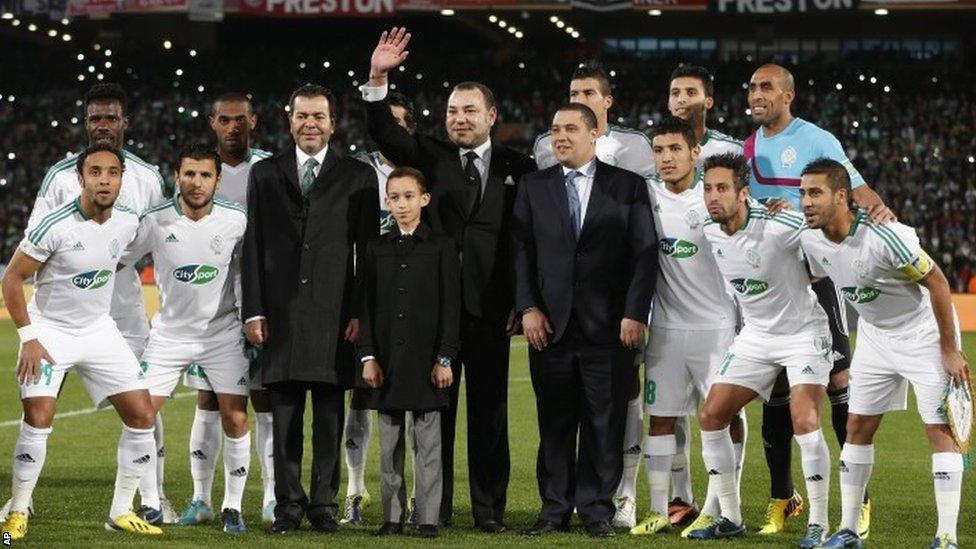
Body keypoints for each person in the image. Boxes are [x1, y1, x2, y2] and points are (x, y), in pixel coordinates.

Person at [362, 27, 536, 532]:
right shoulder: (429, 157)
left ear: (491, 117)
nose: (459, 119)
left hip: (489, 310)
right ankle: (432, 511)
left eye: (469, 111)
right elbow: (386, 134)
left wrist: (519, 300)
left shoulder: (518, 168)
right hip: (433, 315)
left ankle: (489, 513)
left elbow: (520, 243)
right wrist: (378, 77)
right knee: (434, 417)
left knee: (491, 418)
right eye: (453, 112)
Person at [1, 83, 174, 525]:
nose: (103, 125)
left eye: (110, 118)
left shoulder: (147, 180)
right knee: (40, 410)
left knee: (144, 410)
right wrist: (31, 334)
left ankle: (147, 500)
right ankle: (18, 504)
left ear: (124, 123)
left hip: (116, 317)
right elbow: (26, 261)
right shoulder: (58, 178)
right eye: (95, 118)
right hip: (56, 318)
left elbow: (153, 239)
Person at [744, 64, 893, 536]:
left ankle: (859, 500)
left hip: (815, 277)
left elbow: (852, 183)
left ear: (788, 94)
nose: (756, 94)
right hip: (770, 282)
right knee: (775, 388)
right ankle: (782, 499)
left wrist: (879, 209)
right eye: (751, 87)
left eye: (765, 86)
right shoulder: (748, 146)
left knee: (838, 380)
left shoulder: (816, 138)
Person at [798, 158, 970, 549]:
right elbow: (813, 273)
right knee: (857, 426)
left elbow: (940, 284)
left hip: (923, 333)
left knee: (939, 431)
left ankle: (946, 537)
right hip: (875, 337)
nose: (806, 202)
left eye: (815, 193)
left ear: (842, 197)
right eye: (803, 193)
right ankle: (847, 530)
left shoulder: (886, 235)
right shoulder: (809, 238)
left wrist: (950, 350)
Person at [513, 103, 658, 539]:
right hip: (549, 327)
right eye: (555, 129)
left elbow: (644, 253)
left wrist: (635, 312)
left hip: (609, 326)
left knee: (604, 420)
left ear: (594, 134)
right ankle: (553, 508)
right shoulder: (532, 185)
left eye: (570, 129)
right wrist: (527, 307)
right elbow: (520, 252)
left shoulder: (628, 186)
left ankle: (596, 509)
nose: (560, 136)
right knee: (554, 422)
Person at [241, 84, 379, 534]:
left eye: (319, 117)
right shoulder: (264, 174)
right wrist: (254, 310)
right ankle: (288, 507)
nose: (310, 124)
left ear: (333, 124)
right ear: (289, 120)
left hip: (334, 312)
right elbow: (254, 247)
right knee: (283, 419)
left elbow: (368, 252)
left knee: (328, 416)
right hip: (279, 312)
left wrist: (360, 310)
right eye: (302, 116)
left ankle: (322, 505)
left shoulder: (359, 176)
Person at [687, 153, 833, 548]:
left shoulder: (780, 223)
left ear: (744, 193)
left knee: (803, 419)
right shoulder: (707, 228)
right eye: (707, 188)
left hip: (803, 332)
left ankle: (819, 523)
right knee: (712, 415)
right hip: (757, 336)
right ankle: (729, 517)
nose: (713, 197)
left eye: (722, 188)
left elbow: (830, 230)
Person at [120, 144, 251, 533]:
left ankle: (231, 506)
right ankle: (147, 503)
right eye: (189, 174)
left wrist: (253, 318)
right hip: (169, 335)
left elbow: (252, 269)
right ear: (176, 176)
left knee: (235, 416)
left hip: (222, 333)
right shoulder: (156, 220)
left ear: (217, 179)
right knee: (140, 414)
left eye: (205, 175)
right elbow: (116, 258)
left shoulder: (236, 220)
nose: (196, 183)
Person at [630, 117, 743, 538]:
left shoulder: (713, 196)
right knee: (660, 420)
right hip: (666, 329)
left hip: (716, 328)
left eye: (675, 149)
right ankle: (660, 509)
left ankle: (720, 506)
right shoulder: (645, 195)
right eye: (659, 150)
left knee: (723, 418)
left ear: (696, 153)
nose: (666, 158)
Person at [180, 93, 277, 528]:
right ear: (212, 122)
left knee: (263, 398)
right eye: (225, 120)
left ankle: (271, 497)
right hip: (211, 309)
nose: (233, 127)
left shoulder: (272, 168)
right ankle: (200, 498)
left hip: (261, 304)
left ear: (253, 121)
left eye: (240, 119)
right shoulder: (197, 173)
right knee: (208, 399)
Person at [357, 167, 461, 539]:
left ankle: (428, 517)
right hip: (385, 361)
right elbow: (365, 306)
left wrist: (445, 357)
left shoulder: (442, 246)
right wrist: (368, 356)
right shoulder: (375, 247)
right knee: (390, 446)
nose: (401, 204)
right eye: (394, 198)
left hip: (427, 360)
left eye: (408, 197)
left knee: (429, 444)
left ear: (424, 199)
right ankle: (392, 516)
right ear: (387, 201)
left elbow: (451, 307)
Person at [342, 91, 418, 526]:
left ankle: (411, 495)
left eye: (398, 123)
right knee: (360, 398)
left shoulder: (424, 173)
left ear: (409, 129)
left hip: (412, 305)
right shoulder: (357, 174)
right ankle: (355, 489)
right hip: (367, 303)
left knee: (413, 402)